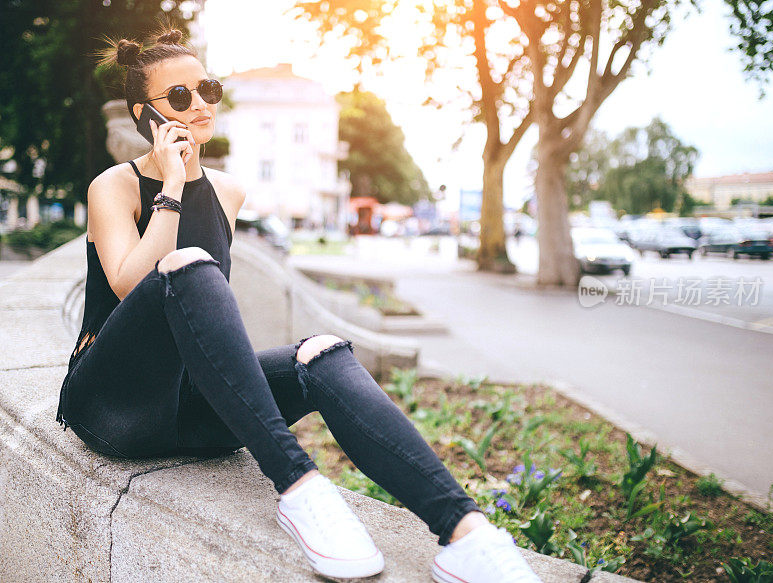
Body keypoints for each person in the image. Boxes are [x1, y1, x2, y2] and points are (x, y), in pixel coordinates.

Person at [55, 23, 544, 583]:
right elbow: (127, 284)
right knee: (185, 269)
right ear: (145, 116)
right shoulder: (113, 186)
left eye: (207, 90)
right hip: (113, 404)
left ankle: (466, 533)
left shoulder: (227, 191)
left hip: (191, 409)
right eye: (180, 97)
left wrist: (189, 182)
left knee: (324, 354)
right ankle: (301, 490)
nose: (199, 107)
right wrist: (170, 183)